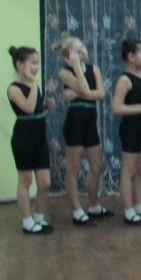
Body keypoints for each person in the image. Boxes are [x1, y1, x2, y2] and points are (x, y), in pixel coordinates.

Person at [54, 33, 112, 226]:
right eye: (77, 51)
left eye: (83, 48)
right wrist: (77, 67)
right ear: (68, 56)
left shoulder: (94, 69)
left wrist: (77, 93)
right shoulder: (65, 72)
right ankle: (77, 211)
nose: (83, 52)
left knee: (97, 165)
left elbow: (101, 94)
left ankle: (94, 205)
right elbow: (87, 89)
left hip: (89, 121)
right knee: (74, 167)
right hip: (75, 121)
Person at [111, 39, 141, 226]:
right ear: (131, 56)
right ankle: (128, 211)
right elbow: (116, 107)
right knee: (128, 171)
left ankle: (139, 207)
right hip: (130, 129)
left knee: (140, 170)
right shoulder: (125, 80)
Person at [7, 46, 54, 234]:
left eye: (37, 63)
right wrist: (34, 83)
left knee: (45, 182)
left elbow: (35, 107)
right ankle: (27, 222)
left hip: (39, 137)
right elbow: (26, 108)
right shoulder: (14, 88)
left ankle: (39, 218)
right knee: (25, 180)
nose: (36, 67)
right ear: (20, 65)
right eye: (33, 63)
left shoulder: (34, 85)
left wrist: (45, 106)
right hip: (23, 138)